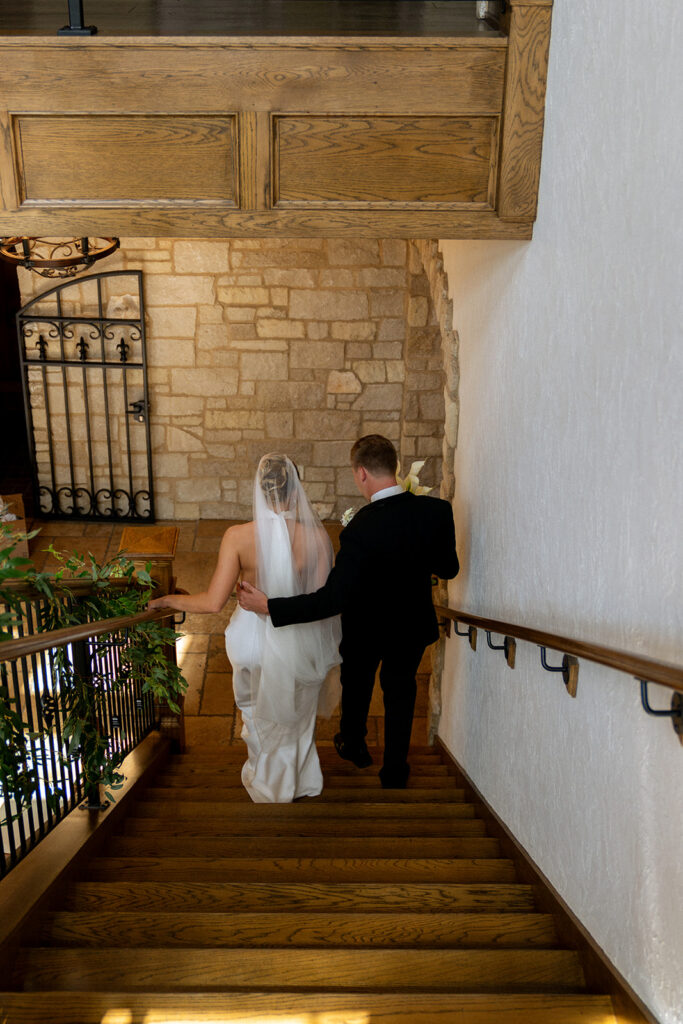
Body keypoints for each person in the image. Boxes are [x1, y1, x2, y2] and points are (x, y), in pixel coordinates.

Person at [238, 434, 459, 788]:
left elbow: (332, 599)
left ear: (361, 474)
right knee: (401, 691)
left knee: (357, 684)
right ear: (396, 468)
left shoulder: (360, 529)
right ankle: (394, 772)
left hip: (365, 629)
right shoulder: (437, 511)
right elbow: (448, 569)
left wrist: (269, 606)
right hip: (411, 626)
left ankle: (355, 746)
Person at [148, 453, 341, 802]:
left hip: (251, 640)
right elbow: (322, 603)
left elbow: (212, 603)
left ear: (259, 491)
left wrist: (168, 601)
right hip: (299, 636)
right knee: (296, 710)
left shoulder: (237, 537)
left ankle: (266, 779)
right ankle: (299, 781)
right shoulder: (317, 539)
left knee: (256, 711)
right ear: (296, 491)